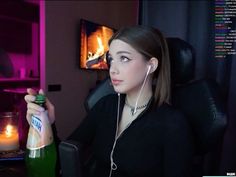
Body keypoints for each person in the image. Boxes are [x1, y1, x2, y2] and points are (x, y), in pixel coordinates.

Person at [25, 26, 194, 177]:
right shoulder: (106, 105)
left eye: (124, 58)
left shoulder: (173, 123)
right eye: (111, 59)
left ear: (151, 65)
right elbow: (66, 157)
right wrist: (47, 124)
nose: (112, 69)